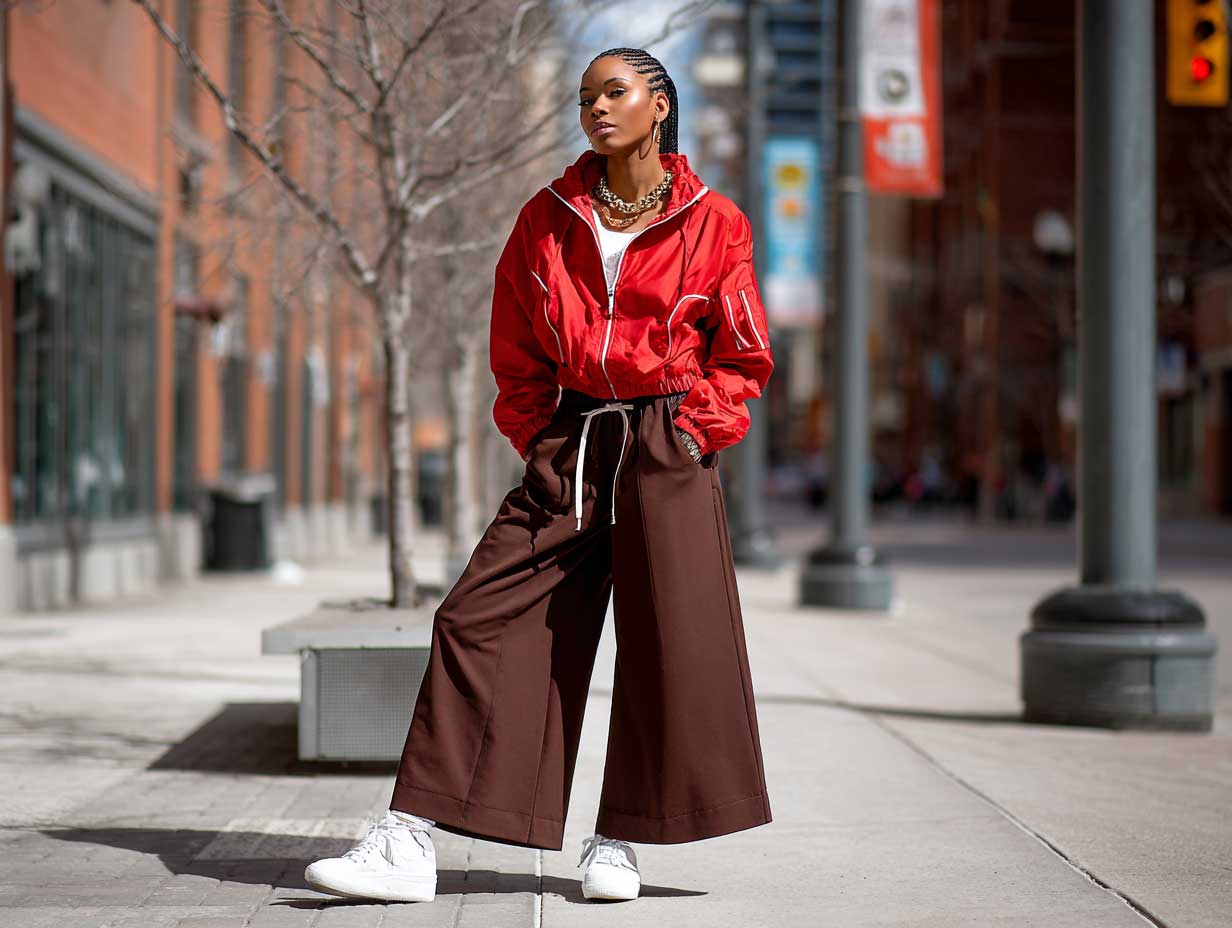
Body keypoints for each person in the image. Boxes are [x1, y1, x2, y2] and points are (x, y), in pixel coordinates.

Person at [305, 46, 774, 905]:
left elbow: (742, 353)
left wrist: (694, 431)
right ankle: (411, 838)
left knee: (666, 646)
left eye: (616, 92)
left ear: (660, 105)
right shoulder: (546, 216)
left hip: (667, 440)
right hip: (575, 440)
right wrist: (539, 437)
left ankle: (621, 840)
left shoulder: (717, 222)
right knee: (475, 616)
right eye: (586, 97)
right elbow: (516, 348)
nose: (597, 108)